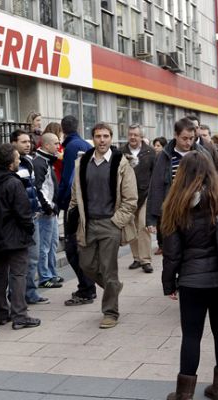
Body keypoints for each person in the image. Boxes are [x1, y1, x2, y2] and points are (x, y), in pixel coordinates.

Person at [161, 151, 218, 400]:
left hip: (192, 279)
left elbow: (171, 253)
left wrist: (168, 283)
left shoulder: (175, 204)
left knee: (191, 335)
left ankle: (184, 394)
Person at [69, 122, 137, 329]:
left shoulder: (121, 163)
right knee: (86, 265)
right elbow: (75, 195)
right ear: (93, 138)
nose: (102, 140)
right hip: (87, 224)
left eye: (106, 136)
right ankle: (113, 287)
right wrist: (74, 217)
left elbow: (131, 199)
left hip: (110, 224)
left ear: (111, 138)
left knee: (109, 270)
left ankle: (110, 312)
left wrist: (117, 221)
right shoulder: (83, 162)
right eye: (98, 136)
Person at [0, 143, 41, 330]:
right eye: (16, 158)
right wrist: (29, 228)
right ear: (10, 162)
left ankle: (2, 313)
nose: (19, 161)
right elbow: (24, 212)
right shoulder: (13, 183)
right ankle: (20, 315)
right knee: (18, 274)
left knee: (0, 273)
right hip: (15, 235)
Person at [147, 118, 216, 234]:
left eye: (191, 138)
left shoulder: (203, 154)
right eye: (184, 138)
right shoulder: (164, 156)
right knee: (172, 249)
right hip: (172, 212)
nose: (188, 142)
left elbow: (213, 183)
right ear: (175, 135)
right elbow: (156, 186)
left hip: (199, 213)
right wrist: (151, 219)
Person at [57, 115, 98, 305]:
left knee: (73, 249)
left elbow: (67, 179)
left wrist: (60, 202)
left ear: (63, 129)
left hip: (74, 205)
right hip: (86, 204)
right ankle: (87, 287)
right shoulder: (85, 145)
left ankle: (87, 288)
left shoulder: (72, 147)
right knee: (79, 247)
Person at [11, 129, 55, 308]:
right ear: (14, 143)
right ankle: (20, 296)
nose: (28, 144)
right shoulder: (14, 165)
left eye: (29, 141)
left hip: (33, 216)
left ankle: (29, 292)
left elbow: (34, 189)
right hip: (22, 219)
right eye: (23, 142)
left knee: (34, 257)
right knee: (24, 260)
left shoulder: (28, 161)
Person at [121, 124, 156, 273]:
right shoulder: (121, 152)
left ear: (141, 137)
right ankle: (136, 257)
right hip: (128, 196)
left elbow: (155, 174)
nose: (133, 137)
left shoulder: (150, 152)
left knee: (143, 225)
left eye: (136, 134)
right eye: (130, 134)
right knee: (132, 226)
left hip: (146, 194)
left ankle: (146, 260)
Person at [33, 133, 63, 287]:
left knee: (52, 244)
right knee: (45, 246)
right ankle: (45, 277)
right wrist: (47, 207)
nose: (59, 146)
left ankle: (51, 274)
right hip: (46, 211)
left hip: (52, 209)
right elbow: (38, 188)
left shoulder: (47, 160)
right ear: (46, 145)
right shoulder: (39, 162)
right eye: (56, 143)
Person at [185, 115, 218, 183]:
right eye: (190, 128)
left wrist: (216, 191)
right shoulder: (178, 147)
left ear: (199, 128)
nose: (194, 130)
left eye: (196, 127)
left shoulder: (209, 147)